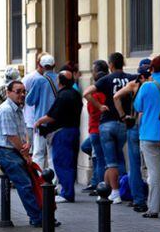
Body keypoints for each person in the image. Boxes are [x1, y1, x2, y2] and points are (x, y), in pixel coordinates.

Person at [83, 52, 136, 204]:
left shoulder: (106, 79)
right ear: (123, 63)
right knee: (117, 158)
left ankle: (115, 192)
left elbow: (87, 93)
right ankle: (107, 188)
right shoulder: (131, 78)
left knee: (110, 161)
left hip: (107, 123)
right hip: (123, 123)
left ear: (111, 65)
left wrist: (99, 106)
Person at [0, 81, 42, 226]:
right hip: (4, 152)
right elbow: (11, 136)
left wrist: (27, 144)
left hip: (13, 150)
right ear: (8, 92)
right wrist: (25, 154)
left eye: (24, 91)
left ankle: (41, 214)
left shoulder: (18, 109)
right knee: (25, 183)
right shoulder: (6, 110)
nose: (22, 95)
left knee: (34, 179)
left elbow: (22, 131)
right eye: (18, 91)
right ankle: (37, 218)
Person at [133, 55, 160, 218]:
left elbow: (138, 106)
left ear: (151, 69)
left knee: (153, 174)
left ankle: (153, 208)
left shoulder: (146, 87)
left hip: (148, 135)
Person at [34, 71, 83, 203]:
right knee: (71, 163)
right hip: (74, 131)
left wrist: (38, 122)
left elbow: (52, 116)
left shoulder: (62, 96)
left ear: (59, 82)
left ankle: (66, 193)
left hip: (62, 133)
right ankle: (68, 190)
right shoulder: (76, 94)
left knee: (62, 162)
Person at [113, 58, 151, 213]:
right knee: (153, 166)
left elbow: (116, 97)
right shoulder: (155, 85)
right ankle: (158, 198)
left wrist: (123, 116)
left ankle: (139, 200)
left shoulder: (134, 85)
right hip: (151, 127)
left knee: (134, 165)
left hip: (134, 125)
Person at [81, 60, 109, 195]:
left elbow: (92, 111)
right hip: (100, 129)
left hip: (95, 130)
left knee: (100, 158)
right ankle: (96, 182)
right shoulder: (107, 94)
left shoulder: (94, 96)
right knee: (97, 156)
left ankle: (99, 185)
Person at [25, 54, 58, 171]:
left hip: (41, 122)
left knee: (38, 153)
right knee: (53, 155)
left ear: (40, 65)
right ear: (54, 65)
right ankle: (54, 183)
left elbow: (29, 101)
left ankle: (39, 181)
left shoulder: (39, 80)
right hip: (56, 123)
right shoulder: (60, 79)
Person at [22, 52, 48, 154]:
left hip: (43, 120)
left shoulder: (48, 78)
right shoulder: (30, 78)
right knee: (32, 150)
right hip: (30, 119)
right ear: (39, 63)